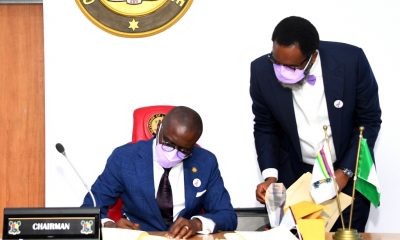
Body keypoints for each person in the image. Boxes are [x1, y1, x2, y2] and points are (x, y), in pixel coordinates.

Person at [249, 16, 381, 232]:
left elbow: (368, 121)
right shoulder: (261, 71)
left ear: (313, 56)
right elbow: (265, 126)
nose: (282, 70)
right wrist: (270, 175)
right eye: (276, 61)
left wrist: (346, 172)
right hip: (296, 178)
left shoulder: (351, 61)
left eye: (291, 66)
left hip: (345, 173)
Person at [82, 106, 237, 238]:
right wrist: (110, 226)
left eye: (183, 150)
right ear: (159, 128)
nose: (172, 154)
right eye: (168, 143)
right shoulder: (124, 158)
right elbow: (89, 210)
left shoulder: (206, 162)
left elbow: (227, 216)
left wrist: (196, 224)